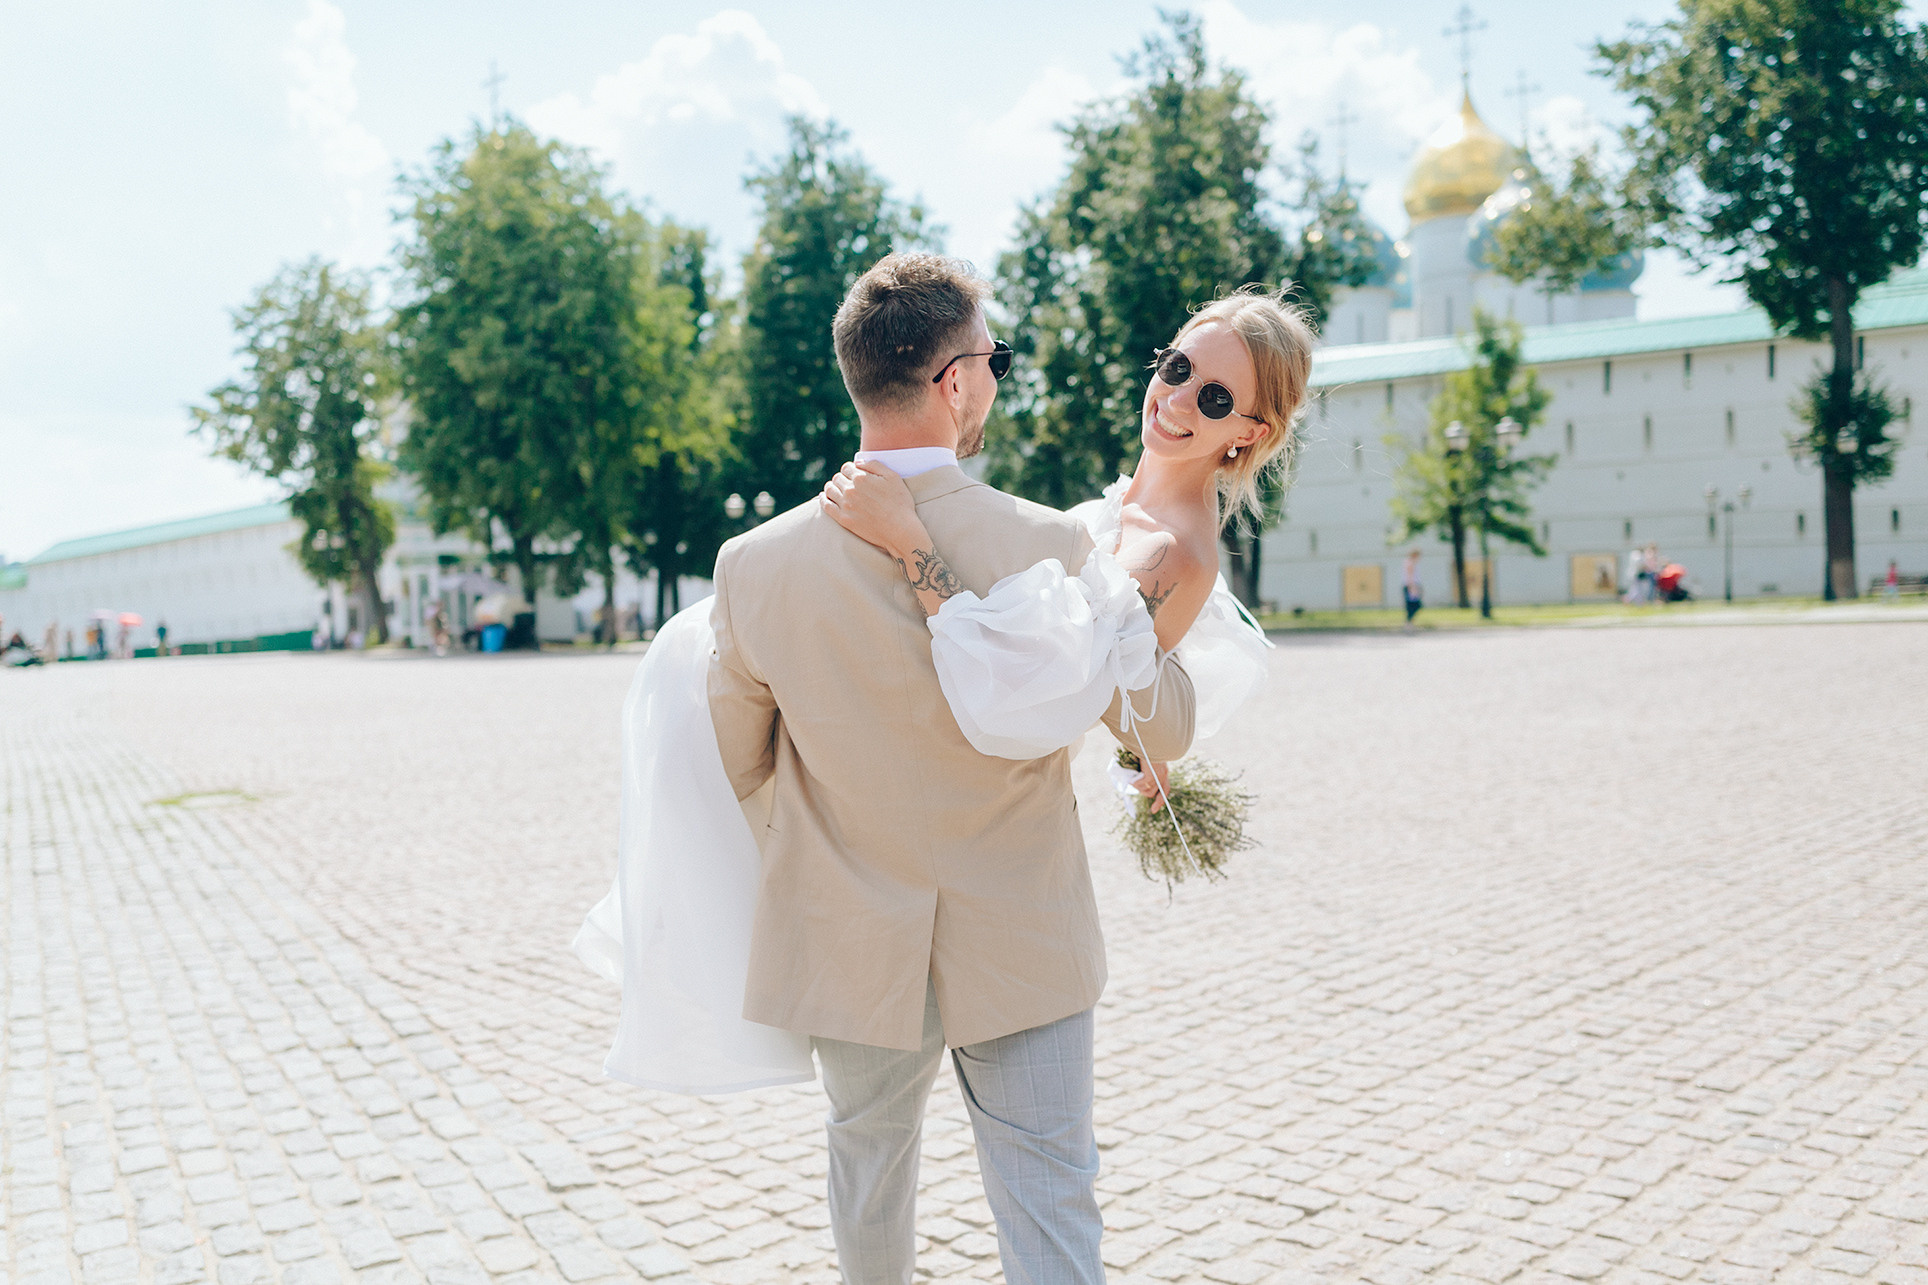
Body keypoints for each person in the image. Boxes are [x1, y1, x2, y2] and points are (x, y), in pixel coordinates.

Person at [576, 257, 1304, 1285]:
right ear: (956, 382)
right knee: (1048, 1200)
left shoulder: (752, 565)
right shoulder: (1054, 545)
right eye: (994, 362)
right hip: (1023, 935)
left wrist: (841, 824)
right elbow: (1152, 712)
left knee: (866, 1186)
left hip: (848, 941)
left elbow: (735, 763)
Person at [1402, 548, 1424, 631]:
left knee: (1412, 606)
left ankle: (1409, 623)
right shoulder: (1410, 562)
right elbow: (1410, 576)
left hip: (1412, 586)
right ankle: (1408, 623)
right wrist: (1412, 588)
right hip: (1411, 586)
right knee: (1415, 605)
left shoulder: (1411, 562)